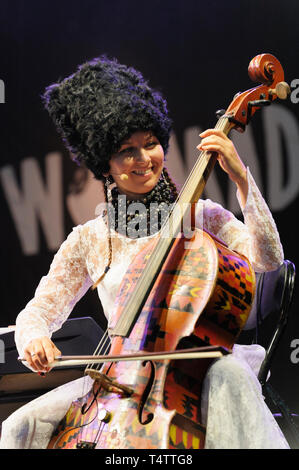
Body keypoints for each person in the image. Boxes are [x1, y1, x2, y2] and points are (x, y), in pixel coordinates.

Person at [0, 56, 289, 449]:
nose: (143, 159)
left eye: (150, 144)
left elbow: (268, 259)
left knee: (231, 377)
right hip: (118, 377)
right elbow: (38, 311)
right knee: (18, 426)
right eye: (127, 150)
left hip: (197, 367)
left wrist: (242, 179)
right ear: (105, 164)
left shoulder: (200, 216)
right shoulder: (90, 238)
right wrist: (33, 338)